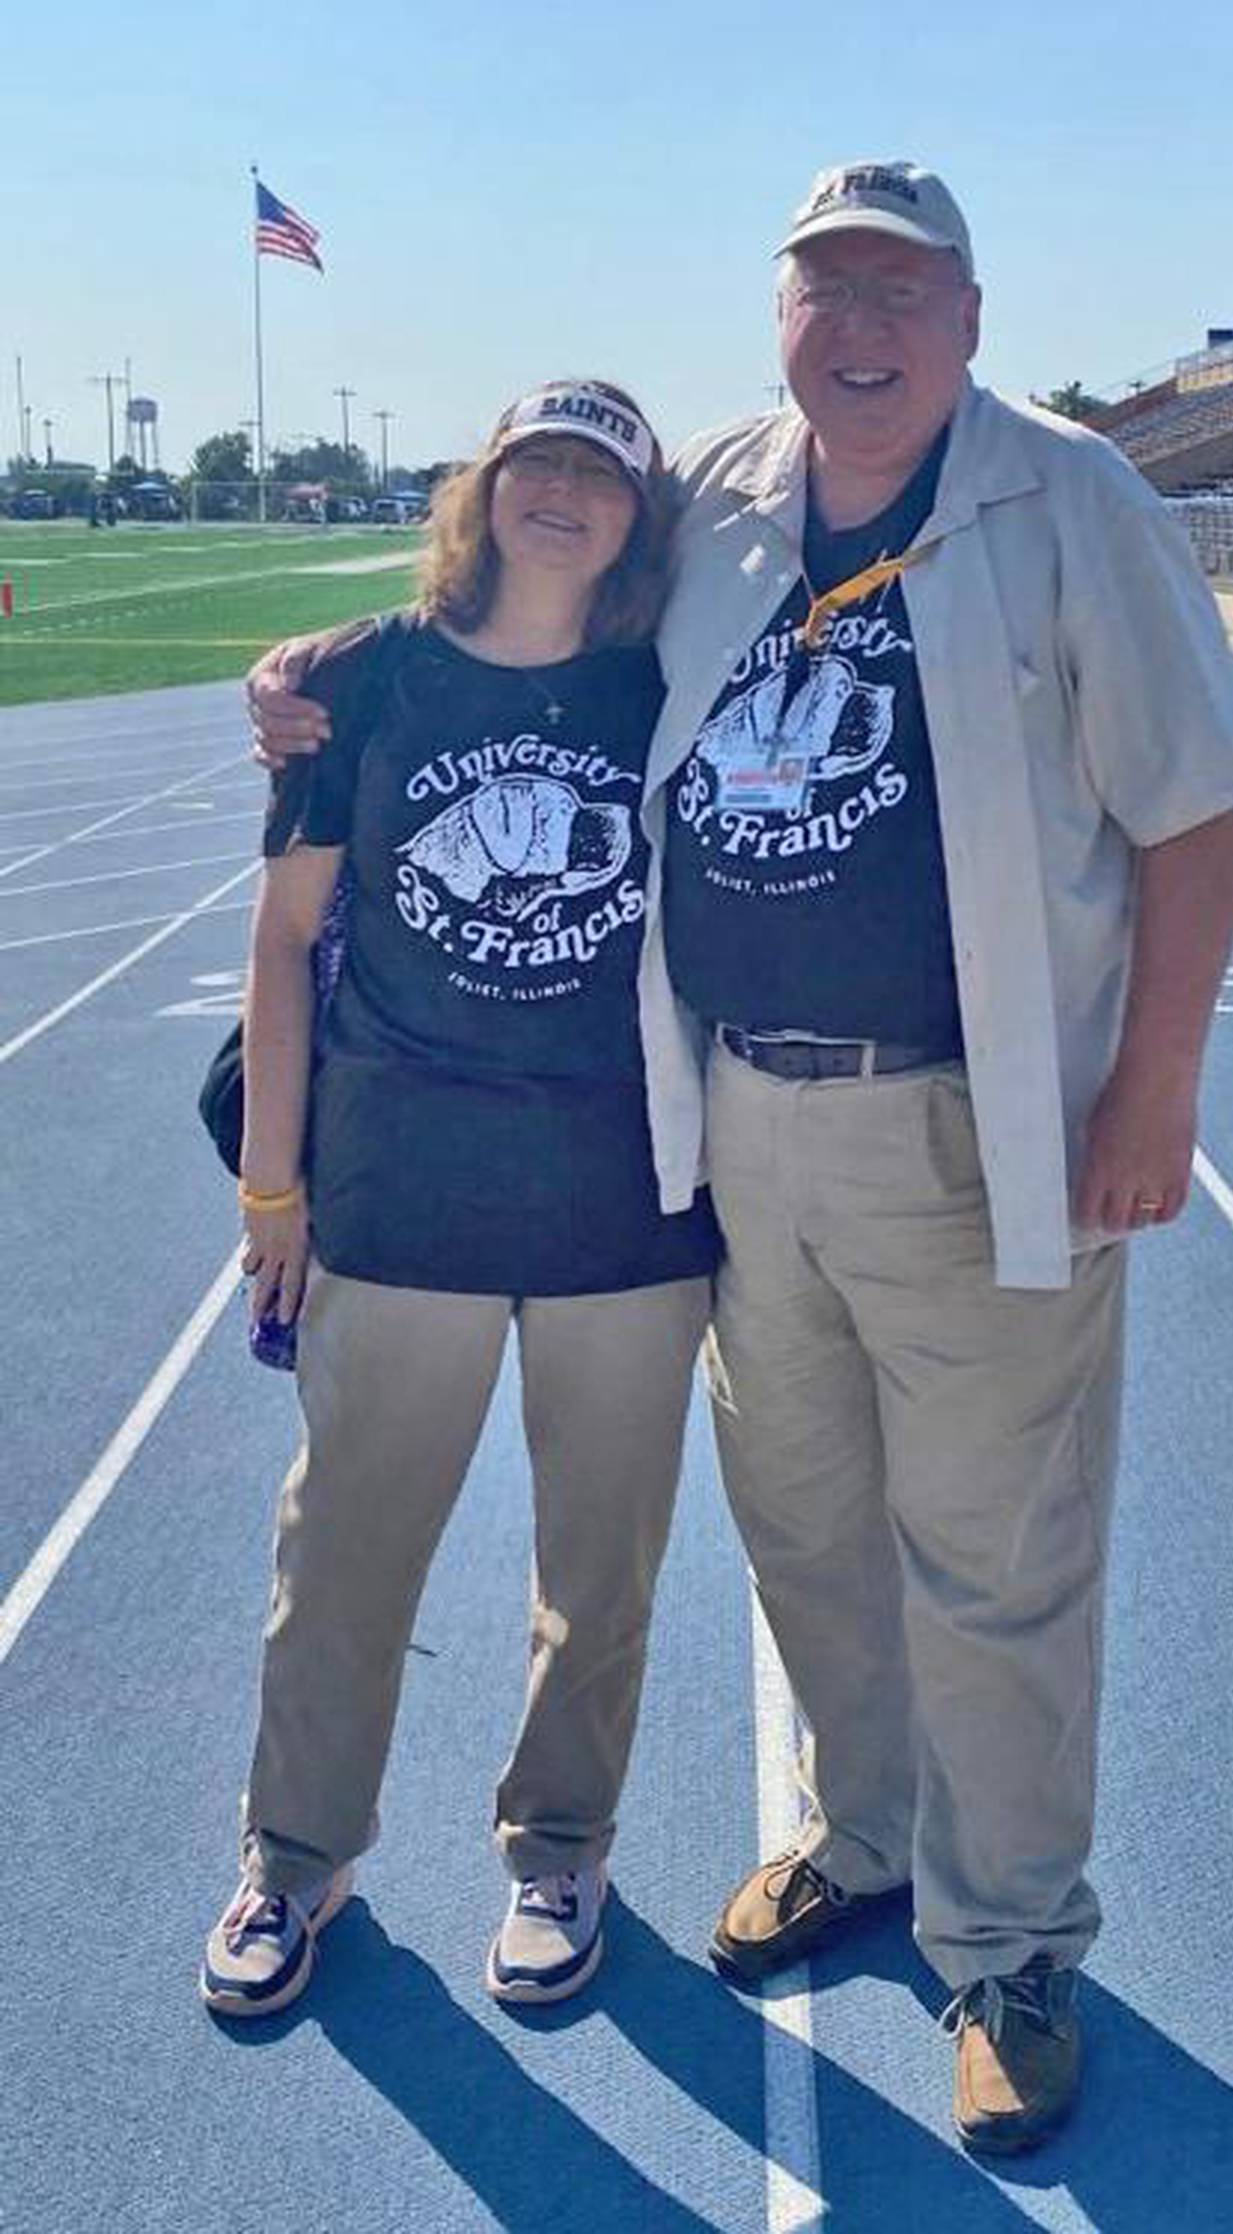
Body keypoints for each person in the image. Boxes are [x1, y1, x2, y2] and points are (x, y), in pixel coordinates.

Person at [248, 162, 1233, 2154]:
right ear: (778, 317)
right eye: (826, 293)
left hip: (977, 1121)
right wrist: (314, 665)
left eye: (903, 293)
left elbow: (1198, 808)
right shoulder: (715, 493)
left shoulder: (1072, 503)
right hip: (740, 1134)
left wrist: (1156, 1093)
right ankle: (863, 1838)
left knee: (999, 1554)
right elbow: (512, 596)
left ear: (969, 317)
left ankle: (1014, 1940)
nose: (862, 330)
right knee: (802, 1528)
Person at [202, 379, 719, 2022]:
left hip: (621, 1204)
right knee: (346, 1548)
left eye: (600, 473)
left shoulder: (673, 681)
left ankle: (560, 1842)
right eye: (534, 463)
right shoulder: (361, 683)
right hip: (396, 1186)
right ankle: (298, 1856)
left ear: (640, 517)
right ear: (482, 488)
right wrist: (271, 1184)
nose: (562, 492)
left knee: (602, 1561)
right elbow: (284, 941)